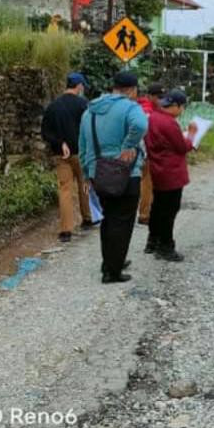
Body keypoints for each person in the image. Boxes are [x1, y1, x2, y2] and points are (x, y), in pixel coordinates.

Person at [79, 71, 148, 284]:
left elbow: (82, 145)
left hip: (98, 172)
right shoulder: (130, 107)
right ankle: (113, 271)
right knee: (123, 222)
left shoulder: (89, 112)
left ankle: (109, 261)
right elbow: (141, 125)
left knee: (109, 219)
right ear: (132, 89)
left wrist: (86, 173)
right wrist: (128, 145)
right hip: (125, 173)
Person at [41, 72, 95, 243]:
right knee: (84, 184)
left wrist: (60, 143)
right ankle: (87, 219)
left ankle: (66, 230)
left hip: (60, 154)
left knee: (64, 190)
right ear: (78, 85)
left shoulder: (53, 106)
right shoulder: (83, 105)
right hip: (81, 153)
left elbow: (45, 132)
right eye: (83, 85)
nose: (83, 88)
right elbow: (89, 129)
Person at [144, 89, 197, 262]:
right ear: (175, 106)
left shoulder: (153, 118)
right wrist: (192, 135)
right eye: (182, 107)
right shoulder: (169, 122)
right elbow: (182, 146)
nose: (182, 111)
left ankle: (152, 241)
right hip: (171, 172)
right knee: (169, 211)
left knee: (158, 207)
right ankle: (166, 246)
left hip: (157, 169)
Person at [137, 82, 166, 229]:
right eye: (158, 96)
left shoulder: (151, 108)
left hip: (146, 151)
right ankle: (144, 214)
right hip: (146, 152)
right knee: (147, 183)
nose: (161, 99)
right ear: (150, 96)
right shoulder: (146, 111)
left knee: (148, 182)